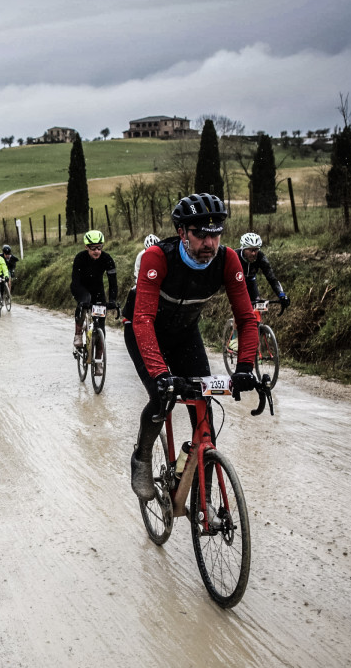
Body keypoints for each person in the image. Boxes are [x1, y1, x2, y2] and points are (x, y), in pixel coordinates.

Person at [122, 193, 260, 502]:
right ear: (182, 232)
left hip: (185, 333)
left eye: (216, 234)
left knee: (205, 407)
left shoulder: (227, 260)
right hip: (145, 330)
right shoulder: (157, 257)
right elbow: (143, 318)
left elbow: (247, 319)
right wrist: (160, 375)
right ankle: (142, 457)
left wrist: (245, 369)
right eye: (200, 234)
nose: (209, 243)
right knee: (162, 398)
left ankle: (203, 496)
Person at [70, 230, 119, 376]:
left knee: (101, 328)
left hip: (98, 291)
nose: (97, 251)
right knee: (84, 302)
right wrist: (82, 301)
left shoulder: (107, 259)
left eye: (99, 247)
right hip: (80, 287)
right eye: (93, 248)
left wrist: (112, 301)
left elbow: (113, 283)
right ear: (86, 247)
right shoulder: (80, 258)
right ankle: (78, 333)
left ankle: (98, 362)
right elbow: (76, 281)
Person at [236, 233, 289, 311]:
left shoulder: (260, 257)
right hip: (237, 286)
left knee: (258, 310)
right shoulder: (235, 256)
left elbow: (272, 279)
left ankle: (257, 322)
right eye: (251, 250)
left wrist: (281, 295)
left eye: (256, 249)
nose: (254, 253)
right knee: (239, 312)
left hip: (251, 283)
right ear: (243, 248)